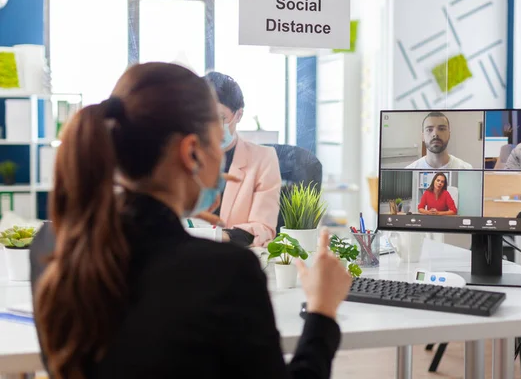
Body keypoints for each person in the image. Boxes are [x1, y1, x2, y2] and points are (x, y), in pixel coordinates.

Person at [32, 62, 352, 379]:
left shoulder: (51, 246)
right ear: (191, 153)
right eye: (216, 141)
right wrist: (322, 309)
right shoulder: (227, 272)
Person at [203, 71, 281, 248]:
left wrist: (215, 237)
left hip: (234, 258)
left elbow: (262, 229)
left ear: (238, 115)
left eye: (218, 117)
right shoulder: (182, 155)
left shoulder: (263, 159)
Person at [406, 111, 473, 169]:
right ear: (422, 136)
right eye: (429, 129)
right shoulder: (410, 169)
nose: (435, 134)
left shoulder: (466, 168)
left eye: (441, 129)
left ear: (449, 134)